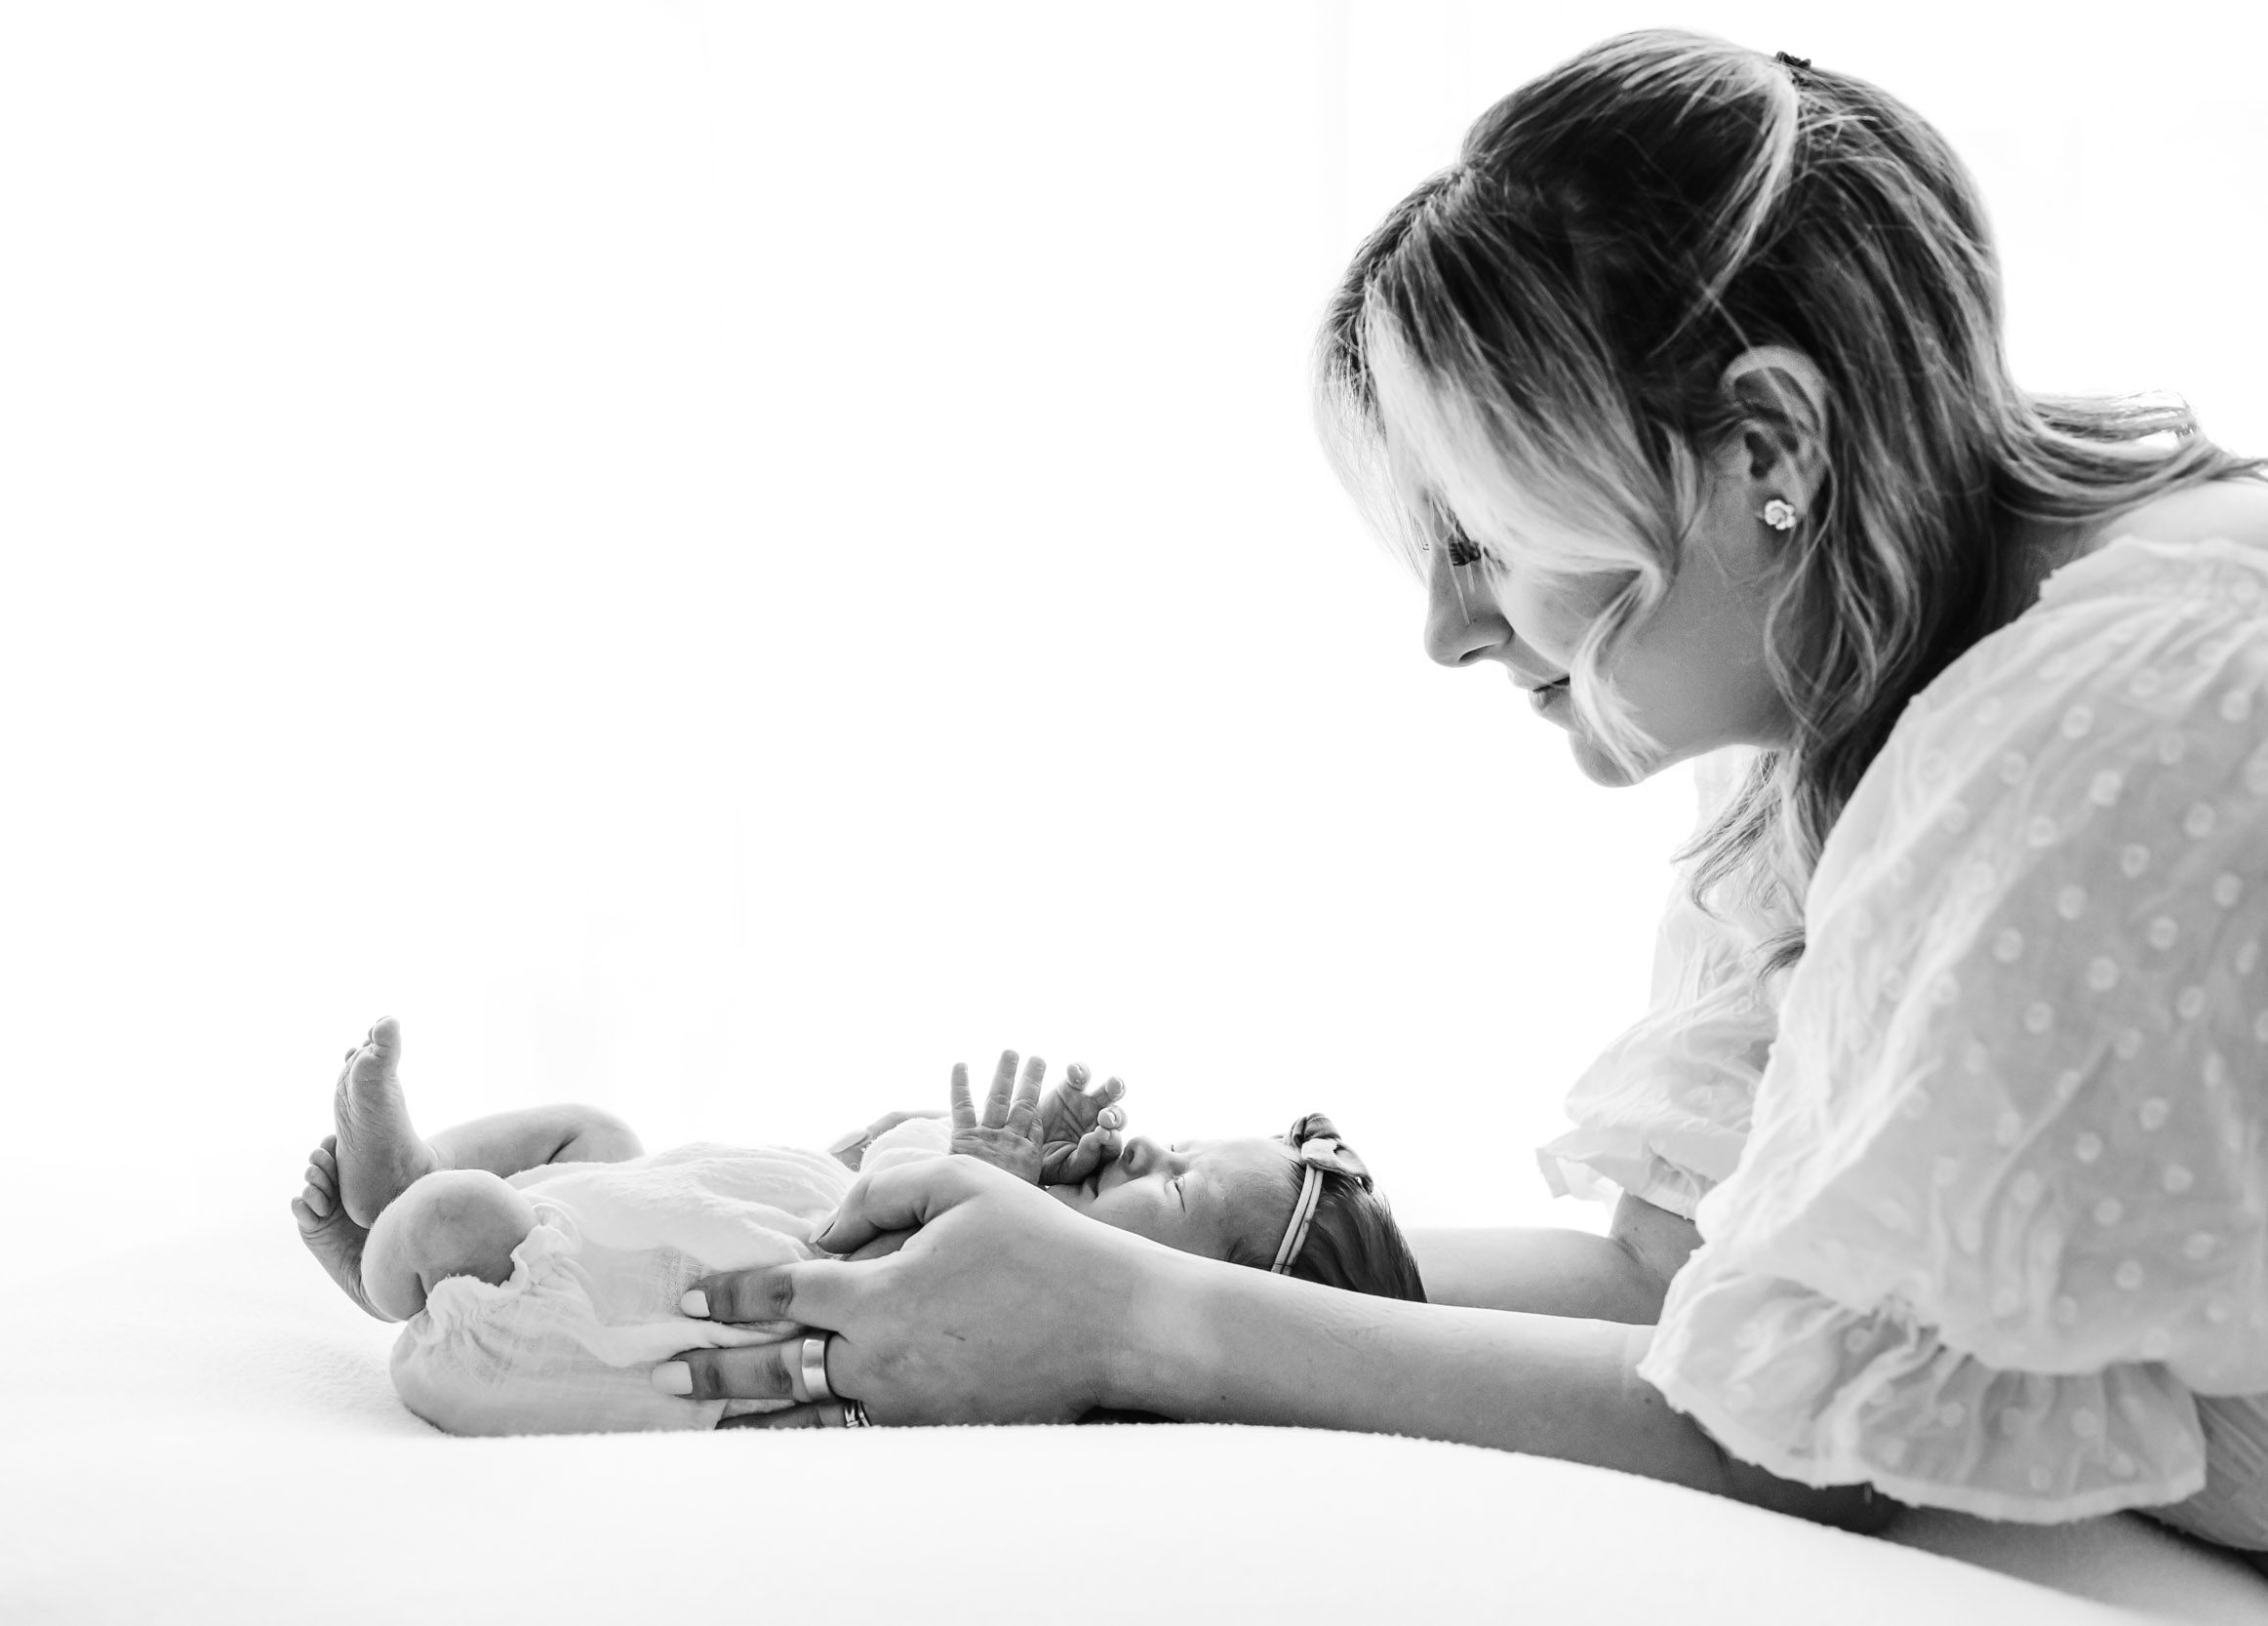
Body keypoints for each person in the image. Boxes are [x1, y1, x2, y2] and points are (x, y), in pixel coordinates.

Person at [654, 29, 2268, 1566]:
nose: (1443, 630)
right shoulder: (1874, 706)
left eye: (1481, 537)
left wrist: (1130, 1323)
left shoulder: (2118, 715)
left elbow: (1797, 1443)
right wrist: (1216, 1223)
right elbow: (1687, 1284)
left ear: (1766, 439)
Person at [292, 1018, 1425, 1433]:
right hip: (642, 1217)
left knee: (466, 1218)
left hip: (601, 1312)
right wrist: (937, 1149)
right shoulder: (1030, 1199)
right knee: (589, 1128)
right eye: (1169, 1141)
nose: (1138, 1151)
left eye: (1173, 1190)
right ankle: (415, 1224)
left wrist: (980, 1181)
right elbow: (842, 1171)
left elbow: (867, 1289)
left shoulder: (1020, 1327)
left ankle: (407, 1233)